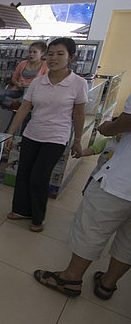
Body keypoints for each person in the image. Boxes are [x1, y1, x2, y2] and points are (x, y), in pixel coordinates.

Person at [34, 98, 131, 300]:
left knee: (92, 229)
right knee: (128, 241)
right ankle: (107, 284)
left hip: (120, 181)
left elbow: (127, 121)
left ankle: (70, 278)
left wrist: (110, 127)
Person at [4, 37, 87, 232]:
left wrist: (77, 140)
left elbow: (79, 113)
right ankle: (20, 209)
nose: (53, 58)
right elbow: (25, 108)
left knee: (39, 177)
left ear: (71, 57)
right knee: (23, 173)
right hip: (32, 133)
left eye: (60, 54)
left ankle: (37, 217)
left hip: (56, 138)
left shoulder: (78, 83)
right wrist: (10, 133)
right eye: (50, 54)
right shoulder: (38, 82)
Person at [0, 41, 48, 109]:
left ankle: (17, 104)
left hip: (33, 93)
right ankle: (17, 103)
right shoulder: (23, 63)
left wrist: (30, 86)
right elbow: (14, 78)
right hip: (18, 91)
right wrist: (18, 84)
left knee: (30, 102)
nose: (31, 54)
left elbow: (46, 83)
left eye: (34, 52)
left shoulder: (45, 65)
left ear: (42, 53)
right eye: (30, 52)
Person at [79, 128, 119, 194]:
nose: (121, 134)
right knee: (87, 193)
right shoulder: (107, 141)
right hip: (97, 175)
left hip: (113, 182)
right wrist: (81, 153)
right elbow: (93, 149)